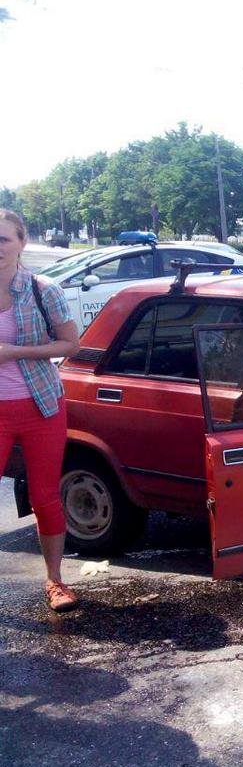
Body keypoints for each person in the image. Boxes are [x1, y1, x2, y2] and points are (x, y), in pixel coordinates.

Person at [0, 209, 82, 611]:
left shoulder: (41, 289)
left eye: (3, 240)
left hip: (41, 405)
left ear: (21, 243)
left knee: (45, 496)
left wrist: (16, 353)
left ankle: (55, 582)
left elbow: (70, 344)